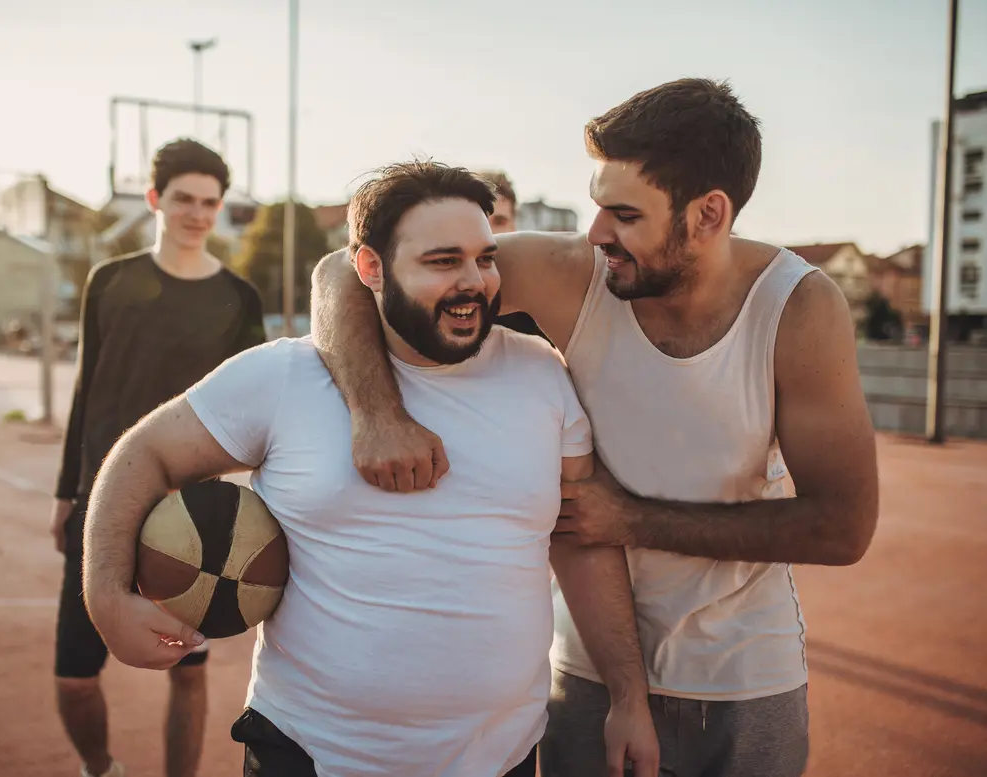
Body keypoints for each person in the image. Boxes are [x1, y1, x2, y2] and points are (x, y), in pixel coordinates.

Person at [308, 79, 880, 777]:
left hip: (745, 678)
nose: (597, 230)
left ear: (708, 214)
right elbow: (344, 271)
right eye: (596, 204)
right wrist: (376, 414)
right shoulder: (575, 275)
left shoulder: (797, 308)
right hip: (586, 673)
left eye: (624, 212)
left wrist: (630, 518)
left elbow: (841, 527)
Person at [82, 160, 660, 777]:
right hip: (310, 753)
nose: (475, 283)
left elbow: (580, 539)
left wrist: (629, 695)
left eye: (484, 258)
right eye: (442, 262)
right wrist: (106, 595)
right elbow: (144, 451)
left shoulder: (543, 374)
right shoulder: (281, 377)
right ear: (370, 269)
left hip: (500, 757)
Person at [49, 138, 266, 777]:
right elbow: (87, 390)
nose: (198, 213)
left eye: (210, 202)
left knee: (187, 671)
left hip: (189, 516)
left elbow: (255, 409)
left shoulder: (239, 298)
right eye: (184, 199)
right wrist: (66, 492)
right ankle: (101, 769)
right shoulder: (110, 282)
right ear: (155, 200)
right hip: (102, 503)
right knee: (75, 680)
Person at [476, 171, 545, 339]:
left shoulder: (536, 299)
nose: (489, 233)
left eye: (499, 221)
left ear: (513, 226)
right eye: (480, 221)